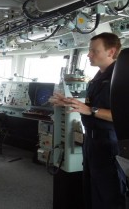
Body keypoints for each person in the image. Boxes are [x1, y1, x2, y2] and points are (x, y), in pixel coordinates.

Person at [49, 32, 127, 209]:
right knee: (91, 191)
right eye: (89, 50)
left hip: (109, 143)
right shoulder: (98, 78)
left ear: (111, 51)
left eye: (94, 51)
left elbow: (122, 115)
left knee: (110, 194)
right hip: (91, 142)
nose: (89, 55)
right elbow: (92, 105)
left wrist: (90, 110)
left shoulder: (121, 78)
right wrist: (68, 102)